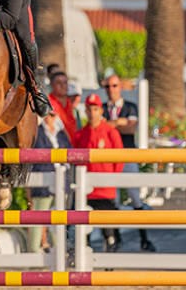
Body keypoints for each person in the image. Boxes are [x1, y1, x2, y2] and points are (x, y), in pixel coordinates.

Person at [102, 74, 155, 252]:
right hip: (109, 157)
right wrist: (119, 123)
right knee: (113, 198)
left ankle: (144, 239)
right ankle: (115, 240)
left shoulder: (130, 106)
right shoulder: (102, 108)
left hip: (128, 154)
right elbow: (100, 128)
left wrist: (111, 124)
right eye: (108, 86)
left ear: (120, 87)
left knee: (134, 196)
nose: (111, 90)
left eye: (114, 86)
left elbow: (132, 127)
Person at [74, 93, 124, 252]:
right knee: (83, 232)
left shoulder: (110, 132)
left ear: (100, 110)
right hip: (85, 190)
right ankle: (83, 264)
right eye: (89, 109)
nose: (92, 113)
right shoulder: (80, 134)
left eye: (95, 109)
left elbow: (120, 159)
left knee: (108, 231)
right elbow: (74, 160)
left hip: (105, 191)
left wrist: (110, 181)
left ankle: (109, 264)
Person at [29, 108, 72, 253]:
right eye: (46, 114)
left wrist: (64, 166)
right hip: (42, 180)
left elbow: (70, 152)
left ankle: (58, 250)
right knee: (39, 217)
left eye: (52, 114)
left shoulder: (60, 133)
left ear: (57, 116)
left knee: (58, 218)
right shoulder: (36, 131)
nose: (49, 117)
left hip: (60, 181)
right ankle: (34, 250)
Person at [48, 72, 78, 144]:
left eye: (65, 82)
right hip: (56, 147)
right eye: (59, 83)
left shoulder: (70, 103)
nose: (63, 85)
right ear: (52, 85)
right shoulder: (48, 103)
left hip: (72, 146)